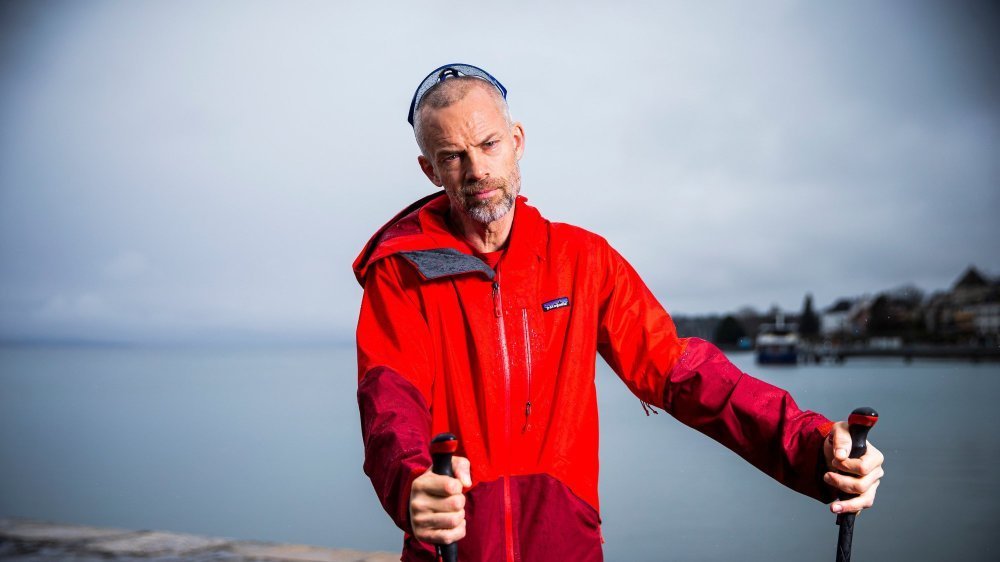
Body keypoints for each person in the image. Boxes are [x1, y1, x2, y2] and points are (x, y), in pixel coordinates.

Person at [353, 63, 884, 561]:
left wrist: (814, 448)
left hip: (567, 547)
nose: (477, 169)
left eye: (489, 144)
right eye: (452, 156)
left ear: (516, 142)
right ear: (429, 169)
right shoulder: (401, 274)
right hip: (452, 550)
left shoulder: (584, 261)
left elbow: (684, 374)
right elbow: (390, 403)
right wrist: (412, 483)